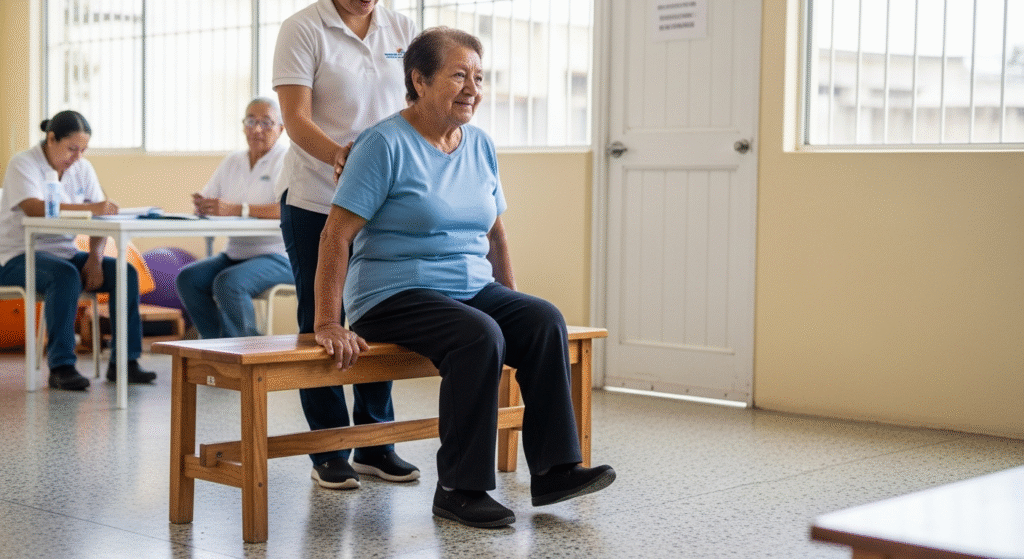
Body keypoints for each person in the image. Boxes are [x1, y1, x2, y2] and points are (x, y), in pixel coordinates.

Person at [313, 27, 615, 528]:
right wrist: (329, 321)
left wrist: (511, 300)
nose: (472, 86)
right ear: (420, 80)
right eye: (458, 75)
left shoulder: (478, 144)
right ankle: (459, 488)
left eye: (479, 76)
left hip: (470, 288)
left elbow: (496, 233)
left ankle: (556, 470)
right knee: (479, 335)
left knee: (542, 321)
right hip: (394, 292)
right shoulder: (383, 144)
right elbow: (335, 236)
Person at [273, 0, 420, 489]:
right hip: (316, 197)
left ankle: (375, 443)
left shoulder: (401, 27)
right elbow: (295, 120)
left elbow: (414, 108)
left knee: (378, 314)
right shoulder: (303, 29)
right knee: (322, 317)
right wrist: (341, 155)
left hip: (384, 202)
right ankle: (328, 446)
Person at [0, 110, 157, 390]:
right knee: (64, 275)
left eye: (83, 150)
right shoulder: (23, 164)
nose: (77, 157)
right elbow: (35, 208)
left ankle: (125, 363)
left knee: (125, 273)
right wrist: (90, 208)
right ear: (51, 139)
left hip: (65, 255)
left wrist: (96, 259)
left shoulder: (82, 168)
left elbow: (100, 220)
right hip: (16, 256)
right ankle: (61, 367)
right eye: (72, 149)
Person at [174, 97, 294, 339]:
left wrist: (238, 209)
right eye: (251, 121)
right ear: (243, 126)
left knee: (228, 283)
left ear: (281, 129)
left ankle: (251, 354)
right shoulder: (233, 161)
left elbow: (287, 208)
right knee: (189, 279)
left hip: (279, 256)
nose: (257, 129)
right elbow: (212, 199)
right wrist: (204, 205)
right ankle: (218, 347)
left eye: (266, 123)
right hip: (236, 254)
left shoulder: (287, 160)